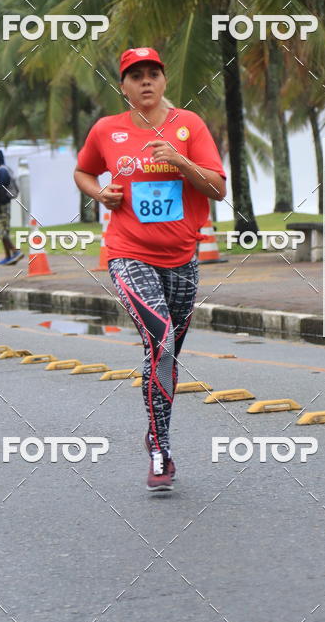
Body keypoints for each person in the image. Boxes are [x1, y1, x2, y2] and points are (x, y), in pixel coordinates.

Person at [74, 47, 227, 491]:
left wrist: (180, 161)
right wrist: (99, 194)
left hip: (182, 258)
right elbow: (83, 172)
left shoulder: (189, 125)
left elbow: (218, 188)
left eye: (153, 74)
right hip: (128, 253)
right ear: (123, 85)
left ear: (164, 80)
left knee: (168, 354)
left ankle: (155, 432)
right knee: (160, 339)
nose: (145, 81)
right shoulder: (107, 129)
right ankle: (161, 450)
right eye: (135, 75)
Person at [0, 149, 24, 265]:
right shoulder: (4, 169)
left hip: (1, 205)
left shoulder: (2, 170)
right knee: (4, 231)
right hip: (3, 203)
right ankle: (8, 257)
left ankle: (16, 252)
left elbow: (0, 188)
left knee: (1, 231)